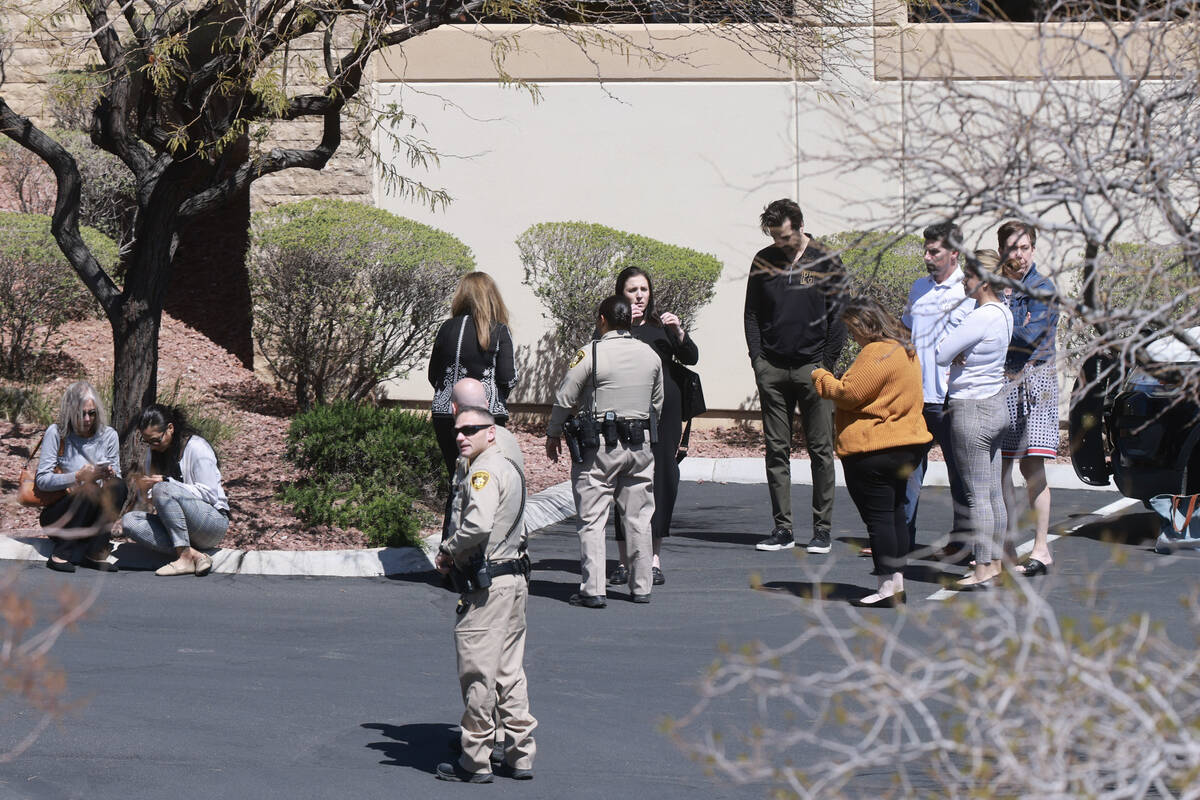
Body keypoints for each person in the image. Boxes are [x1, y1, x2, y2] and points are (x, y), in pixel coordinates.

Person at [434, 406, 535, 783]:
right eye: (457, 431)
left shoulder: (484, 471)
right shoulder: (507, 465)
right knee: (510, 670)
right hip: (513, 579)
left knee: (478, 671)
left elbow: (476, 524)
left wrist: (448, 550)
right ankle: (520, 753)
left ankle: (475, 759)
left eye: (471, 430)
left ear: (490, 433)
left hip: (488, 587)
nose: (461, 436)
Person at [546, 295, 663, 608]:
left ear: (602, 320)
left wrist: (554, 432)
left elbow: (565, 397)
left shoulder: (591, 353)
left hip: (599, 448)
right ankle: (641, 586)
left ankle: (593, 589)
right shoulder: (650, 355)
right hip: (640, 446)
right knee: (639, 517)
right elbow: (658, 403)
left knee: (593, 518)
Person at [812, 299, 931, 607]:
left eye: (853, 330)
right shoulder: (907, 349)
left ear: (866, 325)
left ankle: (886, 589)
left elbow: (848, 393)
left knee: (879, 519)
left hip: (875, 447)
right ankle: (897, 583)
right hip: (908, 445)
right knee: (894, 516)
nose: (853, 337)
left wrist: (821, 377)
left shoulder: (877, 351)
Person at [745, 199, 847, 555]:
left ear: (800, 226)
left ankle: (822, 530)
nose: (780, 243)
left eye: (785, 236)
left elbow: (840, 317)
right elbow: (752, 314)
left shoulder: (826, 260)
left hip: (813, 368)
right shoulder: (763, 260)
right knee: (776, 449)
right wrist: (758, 361)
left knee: (820, 449)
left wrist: (825, 363)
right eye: (774, 237)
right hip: (772, 368)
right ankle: (783, 529)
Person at [608, 266, 699, 588]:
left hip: (665, 414)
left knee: (662, 481)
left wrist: (680, 332)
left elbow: (691, 358)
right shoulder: (612, 328)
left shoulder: (661, 325)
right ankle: (623, 561)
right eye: (632, 290)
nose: (639, 296)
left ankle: (653, 559)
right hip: (625, 412)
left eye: (643, 290)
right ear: (622, 293)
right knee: (624, 482)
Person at [935, 252, 1014, 588]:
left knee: (978, 495)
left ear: (982, 280)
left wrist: (957, 354)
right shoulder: (1005, 313)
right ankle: (994, 562)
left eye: (967, 275)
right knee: (993, 492)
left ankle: (982, 568)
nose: (964, 281)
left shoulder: (980, 316)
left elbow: (941, 353)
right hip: (996, 404)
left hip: (971, 407)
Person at [902, 222, 975, 556]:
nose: (927, 257)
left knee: (960, 474)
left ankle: (964, 542)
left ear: (954, 254)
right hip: (915, 398)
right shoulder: (919, 288)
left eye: (935, 251)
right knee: (907, 472)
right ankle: (901, 538)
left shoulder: (969, 292)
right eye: (926, 250)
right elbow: (905, 330)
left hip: (950, 398)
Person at [997, 220, 1060, 577]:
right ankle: (1006, 547)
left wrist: (992, 325)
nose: (1018, 255)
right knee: (1001, 466)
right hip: (1002, 384)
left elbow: (1025, 337)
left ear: (1033, 249)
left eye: (1024, 248)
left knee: (1032, 466)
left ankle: (1041, 549)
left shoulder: (1041, 288)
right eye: (1012, 248)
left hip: (1035, 384)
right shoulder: (998, 287)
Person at [121, 404, 229, 577]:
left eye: (156, 440)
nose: (153, 446)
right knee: (129, 521)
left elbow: (210, 494)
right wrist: (147, 491)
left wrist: (166, 482)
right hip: (177, 526)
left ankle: (185, 558)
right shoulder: (153, 453)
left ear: (170, 428)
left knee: (162, 488)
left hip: (211, 523)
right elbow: (155, 498)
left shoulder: (197, 447)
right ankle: (193, 555)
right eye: (147, 442)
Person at [429, 272, 517, 480]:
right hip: (485, 414)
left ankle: (453, 513)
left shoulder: (446, 328)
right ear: (492, 297)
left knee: (456, 479)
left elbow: (434, 375)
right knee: (481, 478)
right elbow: (507, 377)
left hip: (445, 412)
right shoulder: (499, 331)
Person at [36, 381, 126, 573]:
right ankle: (60, 555)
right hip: (60, 515)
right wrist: (77, 476)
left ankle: (94, 553)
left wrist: (108, 475)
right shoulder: (57, 433)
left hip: (91, 515)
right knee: (89, 487)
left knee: (119, 486)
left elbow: (115, 476)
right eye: (81, 413)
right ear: (70, 412)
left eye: (91, 413)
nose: (87, 419)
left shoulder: (108, 435)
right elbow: (42, 480)